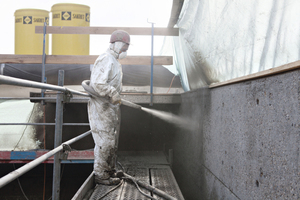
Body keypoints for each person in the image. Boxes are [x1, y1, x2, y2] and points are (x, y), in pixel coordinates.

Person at [82, 30, 130, 185]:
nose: (125, 51)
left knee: (111, 139)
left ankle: (109, 170)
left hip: (109, 106)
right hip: (101, 105)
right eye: (124, 47)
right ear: (117, 44)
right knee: (105, 140)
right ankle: (101, 175)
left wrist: (115, 95)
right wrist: (112, 92)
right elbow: (97, 83)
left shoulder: (115, 61)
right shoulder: (106, 59)